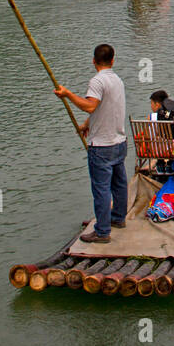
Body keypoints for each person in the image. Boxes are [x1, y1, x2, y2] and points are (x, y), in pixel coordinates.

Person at [54, 44, 127, 244]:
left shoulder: (97, 81)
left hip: (102, 146)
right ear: (113, 60)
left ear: (93, 61)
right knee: (119, 184)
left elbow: (90, 106)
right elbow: (107, 108)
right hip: (119, 142)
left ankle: (103, 231)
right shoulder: (117, 80)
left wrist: (68, 95)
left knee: (101, 189)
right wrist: (88, 125)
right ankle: (118, 218)